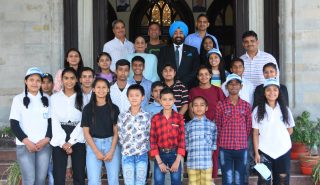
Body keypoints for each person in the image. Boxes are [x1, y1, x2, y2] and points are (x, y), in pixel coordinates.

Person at [9, 67, 51, 185]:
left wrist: (46, 139)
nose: (35, 83)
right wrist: (27, 142)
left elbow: (50, 122)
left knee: (40, 180)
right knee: (29, 180)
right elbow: (14, 124)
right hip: (25, 146)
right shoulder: (18, 99)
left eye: (38, 80)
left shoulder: (47, 98)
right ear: (25, 81)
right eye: (31, 80)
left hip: (43, 146)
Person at [252, 78, 295, 185]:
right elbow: (255, 133)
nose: (272, 92)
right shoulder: (257, 110)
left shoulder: (285, 109)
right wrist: (257, 153)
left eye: (275, 89)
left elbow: (290, 130)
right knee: (263, 181)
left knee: (282, 181)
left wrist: (278, 138)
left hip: (283, 151)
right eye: (268, 90)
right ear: (264, 92)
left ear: (279, 92)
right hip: (264, 152)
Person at [81, 78, 121, 185]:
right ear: (93, 89)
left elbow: (116, 131)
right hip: (93, 145)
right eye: (98, 87)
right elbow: (86, 132)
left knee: (113, 180)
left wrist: (112, 150)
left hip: (111, 144)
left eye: (104, 87)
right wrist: (96, 151)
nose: (101, 90)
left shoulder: (114, 108)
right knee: (93, 180)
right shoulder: (88, 109)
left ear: (108, 89)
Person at [50, 67, 86, 185]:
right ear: (62, 80)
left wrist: (71, 141)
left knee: (79, 174)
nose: (69, 81)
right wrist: (62, 142)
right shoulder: (54, 98)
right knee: (59, 175)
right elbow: (54, 120)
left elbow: (84, 121)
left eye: (72, 78)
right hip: (59, 135)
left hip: (78, 135)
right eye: (66, 78)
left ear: (77, 80)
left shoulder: (83, 97)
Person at [188, 66, 225, 178]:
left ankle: (212, 178)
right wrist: (197, 122)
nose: (203, 76)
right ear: (198, 77)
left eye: (206, 74)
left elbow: (222, 108)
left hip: (214, 127)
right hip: (198, 127)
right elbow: (190, 109)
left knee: (213, 153)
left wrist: (216, 124)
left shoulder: (217, 90)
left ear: (210, 76)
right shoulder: (193, 91)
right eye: (200, 74)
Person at [215, 74, 252, 185]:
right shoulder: (221, 105)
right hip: (225, 148)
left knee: (239, 177)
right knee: (227, 178)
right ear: (226, 87)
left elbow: (248, 126)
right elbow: (218, 125)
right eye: (231, 83)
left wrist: (241, 138)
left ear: (241, 87)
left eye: (237, 84)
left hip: (241, 148)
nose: (234, 86)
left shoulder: (246, 106)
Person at [150, 88, 186, 185]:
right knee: (158, 182)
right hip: (160, 154)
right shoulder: (155, 118)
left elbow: (182, 140)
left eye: (170, 99)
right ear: (160, 101)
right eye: (164, 99)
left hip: (175, 154)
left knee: (176, 181)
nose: (167, 102)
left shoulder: (179, 117)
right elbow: (152, 140)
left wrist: (178, 160)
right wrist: (159, 162)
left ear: (174, 100)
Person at [144, 81, 178, 185]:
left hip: (171, 149)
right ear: (151, 93)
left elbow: (177, 130)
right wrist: (149, 149)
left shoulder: (173, 107)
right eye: (155, 91)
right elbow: (146, 131)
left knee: (169, 177)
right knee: (157, 176)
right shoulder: (147, 109)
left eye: (160, 90)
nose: (158, 93)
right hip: (154, 149)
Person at [118, 84, 151, 185]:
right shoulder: (122, 115)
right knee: (129, 182)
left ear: (143, 97)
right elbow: (120, 134)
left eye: (137, 95)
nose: (134, 98)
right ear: (128, 97)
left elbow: (149, 134)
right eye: (131, 95)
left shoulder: (147, 116)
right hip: (127, 155)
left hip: (142, 154)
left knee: (140, 182)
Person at [158, 21, 200, 88]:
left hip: (188, 86)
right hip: (168, 87)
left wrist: (182, 82)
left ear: (184, 35)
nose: (178, 35)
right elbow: (160, 68)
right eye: (175, 33)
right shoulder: (163, 50)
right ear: (172, 35)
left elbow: (196, 69)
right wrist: (169, 82)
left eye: (181, 32)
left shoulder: (193, 50)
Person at [185, 96, 217, 185]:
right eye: (195, 105)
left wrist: (208, 156)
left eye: (202, 105)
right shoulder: (188, 126)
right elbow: (186, 143)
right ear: (192, 108)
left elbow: (213, 144)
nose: (199, 108)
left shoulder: (212, 125)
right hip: (192, 163)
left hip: (206, 164)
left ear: (206, 108)